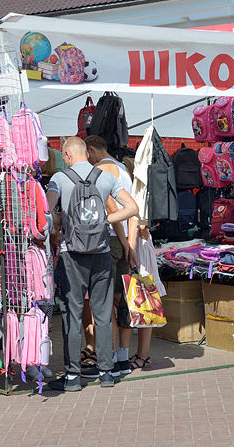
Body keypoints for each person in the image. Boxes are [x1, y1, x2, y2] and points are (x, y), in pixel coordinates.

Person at [45, 137, 138, 391]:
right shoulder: (106, 177)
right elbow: (132, 208)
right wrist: (106, 219)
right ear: (87, 152)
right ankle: (107, 374)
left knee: (72, 314)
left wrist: (62, 220)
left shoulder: (60, 179)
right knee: (103, 313)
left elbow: (45, 210)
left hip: (71, 255)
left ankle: (73, 377)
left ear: (66, 155)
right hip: (100, 253)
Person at [85, 136, 140, 375]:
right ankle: (123, 359)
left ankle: (110, 361)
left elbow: (112, 209)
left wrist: (124, 244)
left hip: (110, 240)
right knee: (123, 302)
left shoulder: (100, 171)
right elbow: (134, 212)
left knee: (105, 304)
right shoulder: (123, 170)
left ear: (90, 150)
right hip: (125, 241)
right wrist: (131, 245)